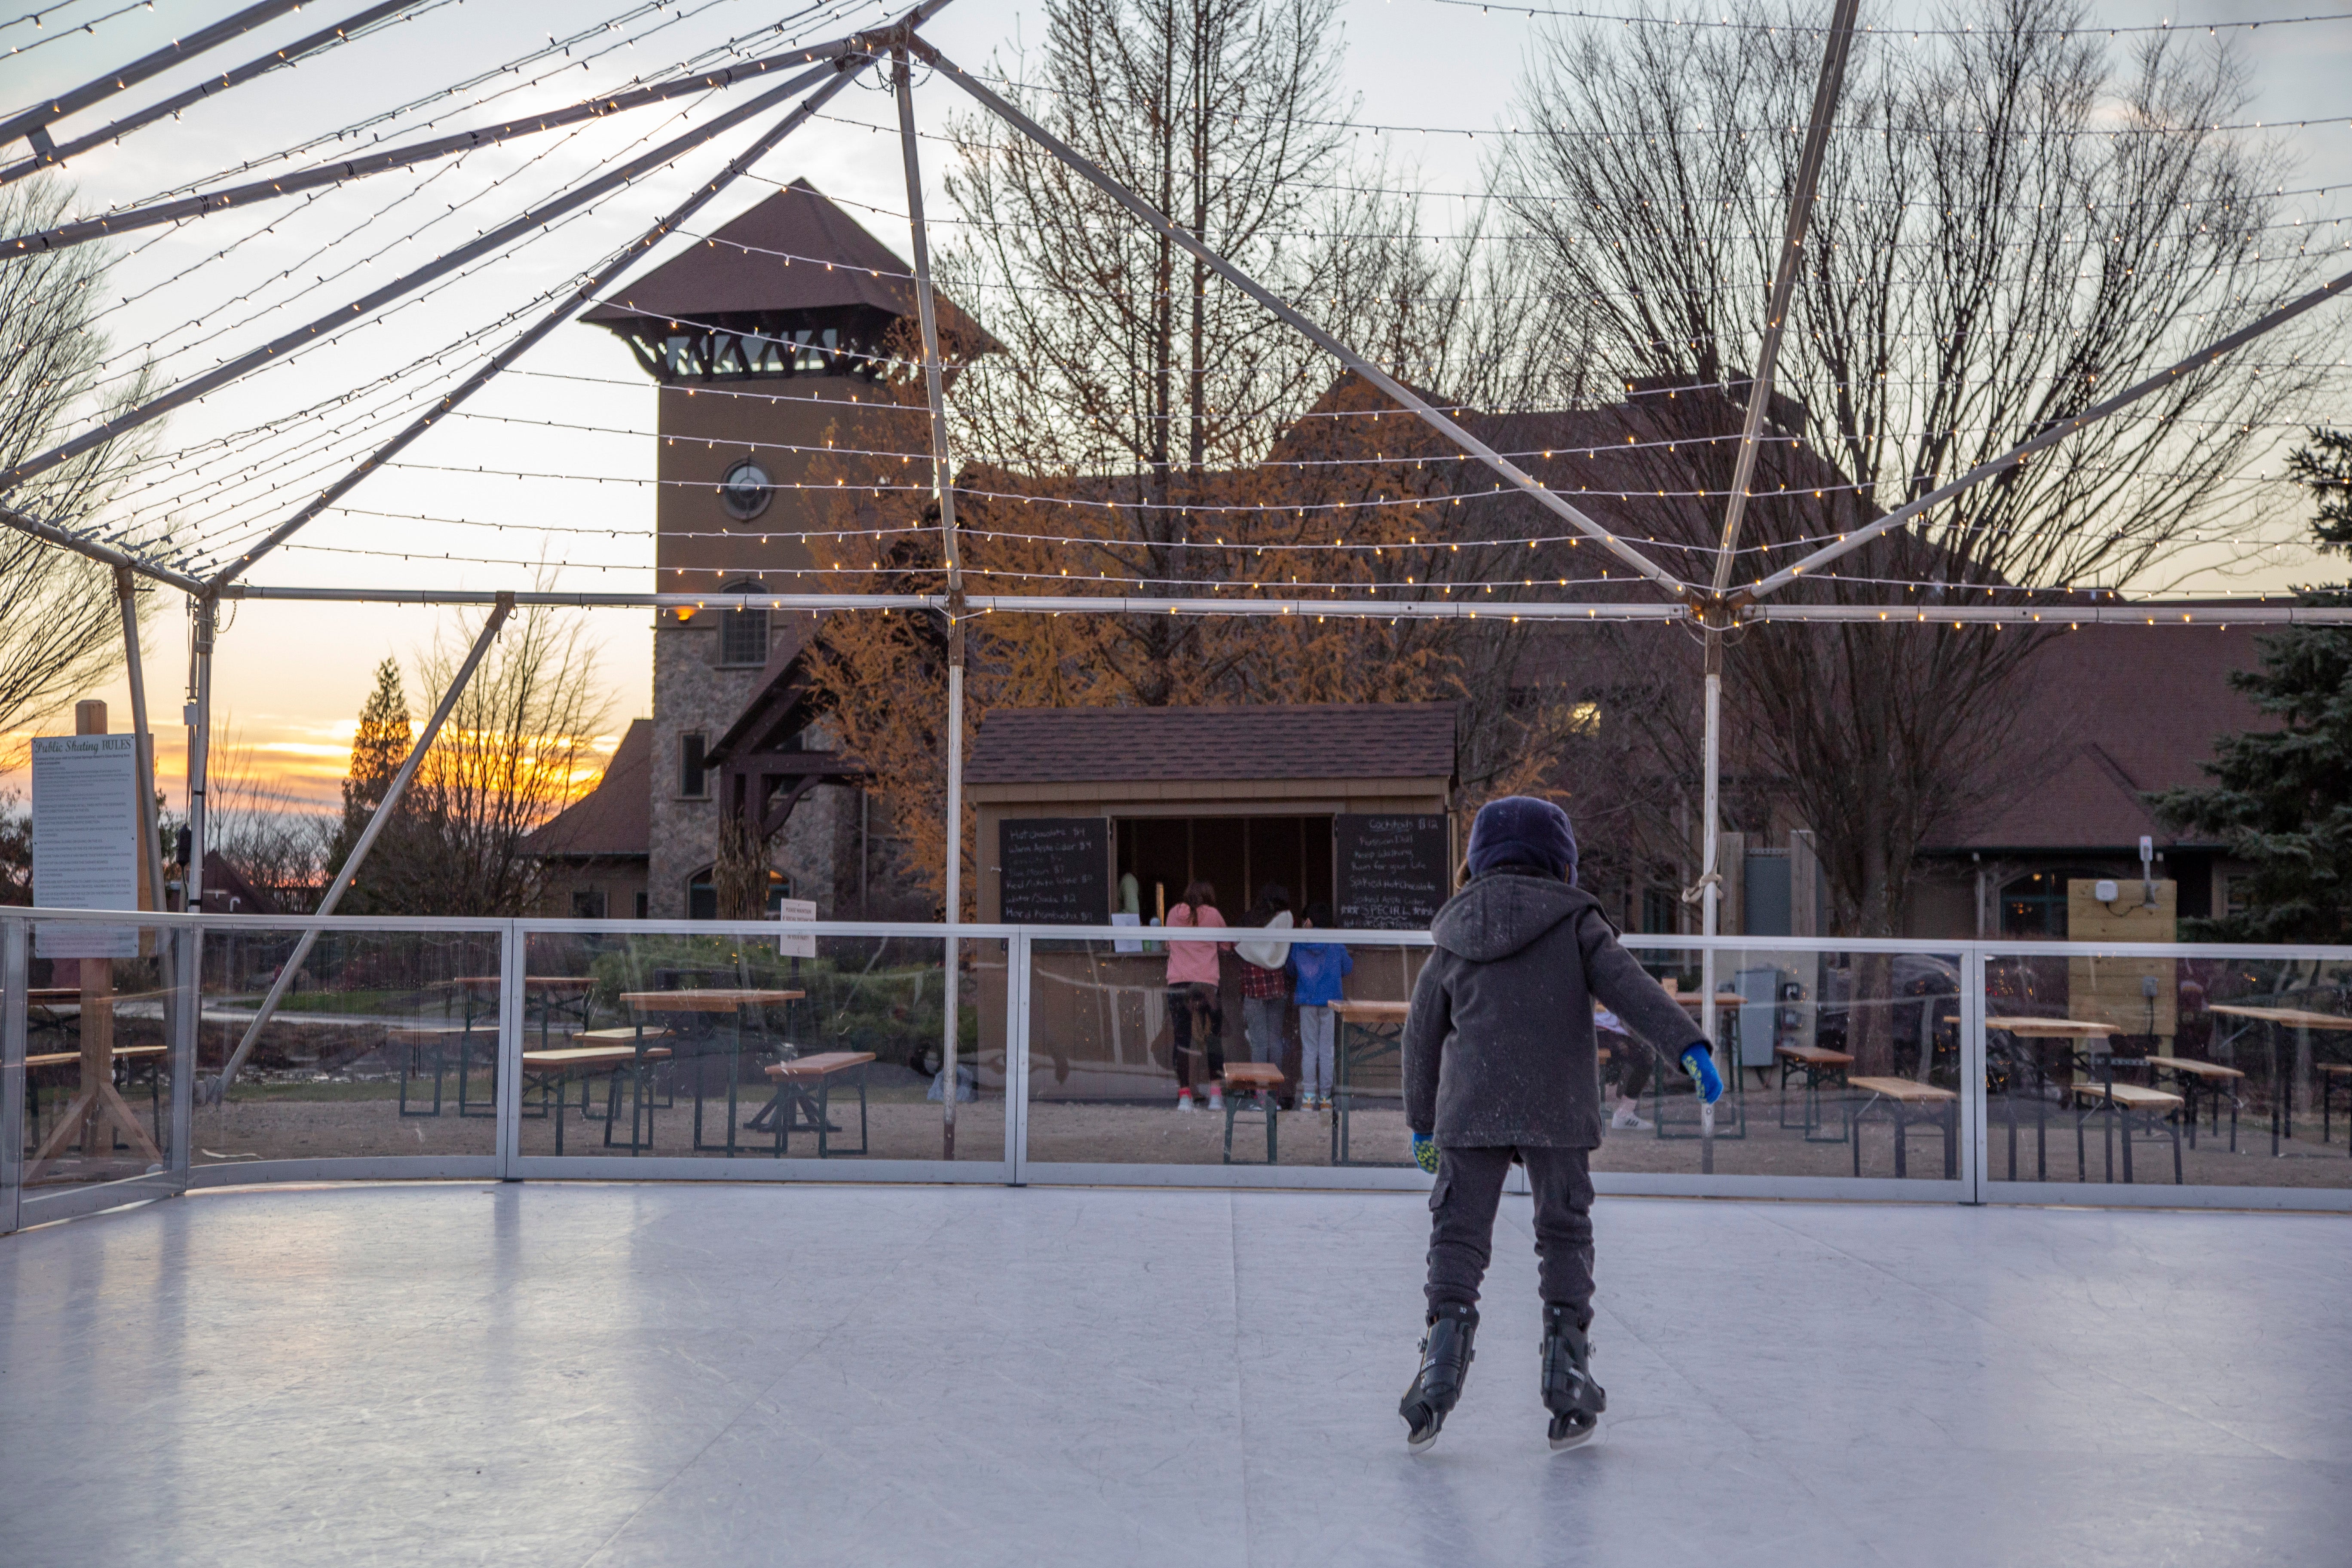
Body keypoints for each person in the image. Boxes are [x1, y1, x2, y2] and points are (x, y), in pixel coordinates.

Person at [1396, 796, 1723, 1454]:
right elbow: (1631, 990)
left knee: (1458, 1236)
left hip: (1472, 1107)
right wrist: (1688, 1046)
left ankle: (1437, 1374)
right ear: (1562, 861)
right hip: (1557, 1108)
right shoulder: (1578, 923)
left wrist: (1424, 1122)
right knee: (1564, 1233)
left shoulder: (1454, 931)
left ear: (1477, 860)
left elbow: (1420, 1032)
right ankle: (1568, 1375)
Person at [1164, 880, 1231, 1112]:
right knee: (1212, 1038)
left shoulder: (1173, 913)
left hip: (1178, 983)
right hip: (1207, 985)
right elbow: (1226, 946)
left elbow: (1167, 944)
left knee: (1182, 1039)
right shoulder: (1213, 914)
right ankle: (1215, 1097)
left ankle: (1185, 1097)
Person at [1286, 901, 1352, 1112]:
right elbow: (1347, 967)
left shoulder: (1300, 943)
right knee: (1327, 1050)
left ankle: (1308, 1097)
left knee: (1309, 1049)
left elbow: (1290, 969)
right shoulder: (1335, 941)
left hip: (1307, 1001)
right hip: (1330, 1002)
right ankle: (1326, 1099)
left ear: (1309, 921)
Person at [1235, 882, 1295, 1081]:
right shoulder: (1286, 918)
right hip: (1277, 985)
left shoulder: (1250, 919)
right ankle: (1274, 1094)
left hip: (1252, 986)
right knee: (1275, 1040)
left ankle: (1261, 1093)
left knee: (1259, 1042)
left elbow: (1237, 944)